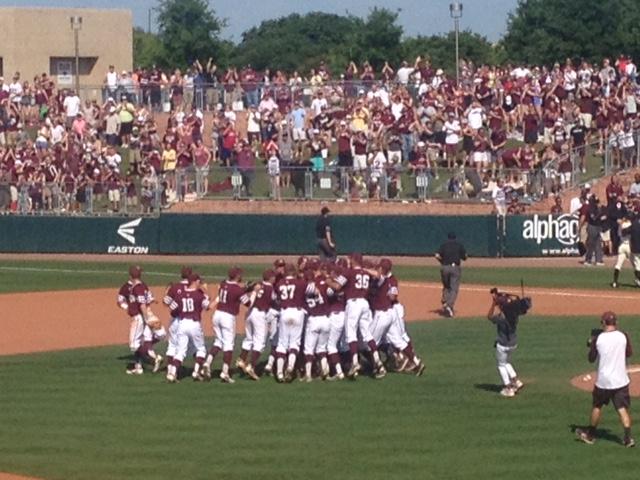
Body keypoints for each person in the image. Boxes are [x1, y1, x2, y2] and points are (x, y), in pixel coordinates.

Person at [576, 311, 634, 447]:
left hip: (604, 381)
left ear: (603, 323)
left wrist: (592, 344)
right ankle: (628, 438)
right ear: (616, 323)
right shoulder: (623, 336)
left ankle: (590, 435)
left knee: (597, 406)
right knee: (622, 409)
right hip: (621, 380)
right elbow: (629, 353)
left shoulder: (599, 339)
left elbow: (591, 359)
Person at [487, 288, 529, 397]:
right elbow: (511, 305)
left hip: (503, 345)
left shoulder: (501, 318)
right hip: (513, 343)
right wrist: (504, 298)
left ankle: (508, 388)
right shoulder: (514, 316)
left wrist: (493, 303)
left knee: (501, 365)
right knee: (506, 362)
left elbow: (489, 317)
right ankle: (516, 381)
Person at [435, 232, 467, 318]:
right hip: (455, 268)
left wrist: (442, 261)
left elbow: (437, 255)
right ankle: (449, 305)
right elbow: (465, 257)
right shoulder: (459, 245)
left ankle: (445, 301)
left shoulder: (444, 245)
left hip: (444, 267)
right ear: (455, 238)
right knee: (454, 288)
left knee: (446, 286)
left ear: (448, 238)